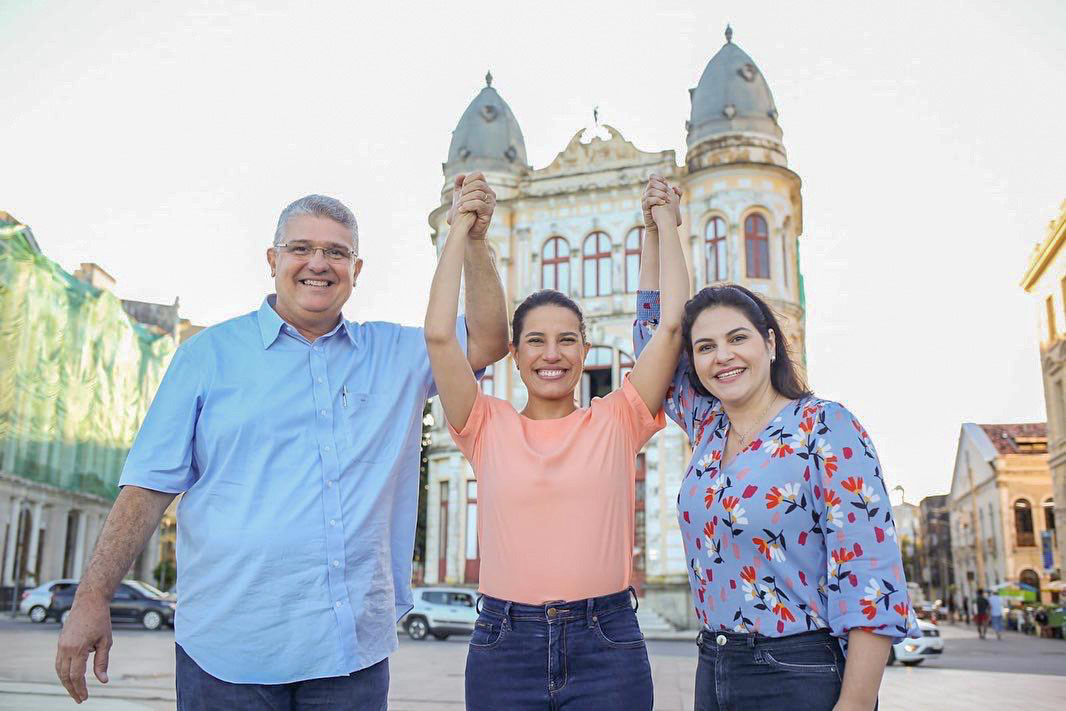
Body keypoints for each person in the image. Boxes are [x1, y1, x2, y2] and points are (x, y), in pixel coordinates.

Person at [55, 177, 510, 709]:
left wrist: (474, 241)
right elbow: (147, 488)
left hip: (349, 655)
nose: (318, 263)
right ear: (272, 259)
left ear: (356, 272)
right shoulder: (207, 355)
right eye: (301, 248)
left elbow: (488, 340)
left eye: (336, 253)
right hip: (227, 654)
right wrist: (92, 597)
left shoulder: (398, 354)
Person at [423, 175, 688, 710]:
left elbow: (672, 328)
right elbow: (438, 336)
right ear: (515, 354)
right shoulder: (483, 423)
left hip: (606, 640)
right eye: (536, 341)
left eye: (567, 339)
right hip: (505, 643)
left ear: (585, 350)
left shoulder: (617, 419)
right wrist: (460, 231)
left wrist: (663, 227)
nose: (553, 353)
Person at [633, 215, 920, 710]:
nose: (722, 356)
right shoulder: (706, 427)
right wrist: (659, 231)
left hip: (800, 670)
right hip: (714, 666)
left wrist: (854, 704)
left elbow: (870, 576)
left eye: (737, 338)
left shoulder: (825, 426)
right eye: (706, 347)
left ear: (769, 343)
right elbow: (654, 333)